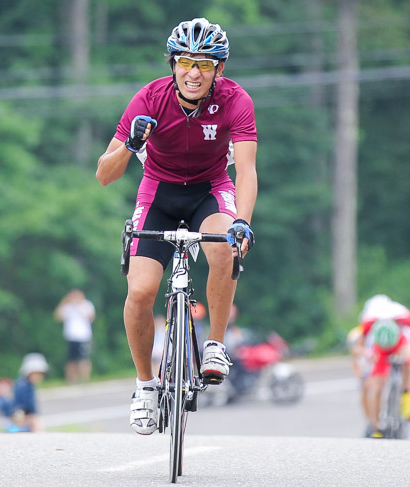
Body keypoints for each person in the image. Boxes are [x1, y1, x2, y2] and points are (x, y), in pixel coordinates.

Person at [96, 18, 257, 435]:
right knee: (140, 290)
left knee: (223, 248)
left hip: (210, 188)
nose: (193, 73)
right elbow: (104, 175)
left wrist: (242, 221)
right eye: (186, 62)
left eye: (204, 65)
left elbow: (247, 170)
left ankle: (215, 344)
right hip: (159, 194)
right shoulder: (149, 98)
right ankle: (145, 386)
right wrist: (131, 145)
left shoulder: (236, 100)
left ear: (218, 70)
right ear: (173, 63)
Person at [353, 294, 410, 439]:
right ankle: (376, 425)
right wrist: (366, 353)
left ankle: (407, 407)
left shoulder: (403, 316)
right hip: (381, 348)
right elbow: (356, 348)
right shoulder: (370, 321)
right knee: (376, 385)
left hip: (403, 343)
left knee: (409, 379)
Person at [54, 289, 96, 383]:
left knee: (84, 358)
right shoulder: (67, 306)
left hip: (83, 336)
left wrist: (79, 306)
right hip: (71, 336)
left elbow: (91, 317)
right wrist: (64, 302)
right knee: (71, 359)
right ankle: (71, 379)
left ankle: (84, 379)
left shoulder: (86, 305)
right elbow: (58, 317)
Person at [12, 353, 49, 433]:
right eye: (36, 373)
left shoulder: (29, 385)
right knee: (36, 422)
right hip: (19, 417)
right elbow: (24, 406)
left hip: (24, 416)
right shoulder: (23, 386)